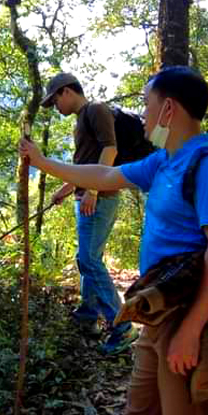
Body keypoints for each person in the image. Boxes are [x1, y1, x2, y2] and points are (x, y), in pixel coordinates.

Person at [20, 66, 208, 415]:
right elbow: (104, 175)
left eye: (147, 105)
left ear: (169, 109)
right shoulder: (164, 161)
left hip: (187, 312)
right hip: (157, 305)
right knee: (141, 397)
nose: (142, 115)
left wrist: (192, 329)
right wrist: (44, 162)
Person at [40, 72, 135, 354]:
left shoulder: (95, 109)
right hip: (88, 195)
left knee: (89, 260)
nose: (56, 107)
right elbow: (87, 165)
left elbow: (110, 149)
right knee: (87, 257)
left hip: (99, 198)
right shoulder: (83, 117)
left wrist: (92, 190)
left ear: (67, 92)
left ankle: (122, 326)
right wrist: (67, 189)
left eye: (55, 100)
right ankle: (87, 315)